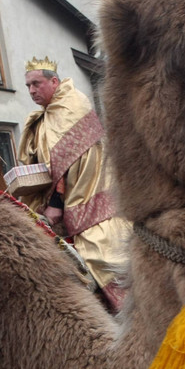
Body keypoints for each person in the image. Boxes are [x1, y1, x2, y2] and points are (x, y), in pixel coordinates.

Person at [17, 56, 131, 312]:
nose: (32, 91)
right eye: (28, 86)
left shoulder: (72, 104)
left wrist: (56, 204)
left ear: (54, 81)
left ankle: (132, 314)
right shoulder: (43, 117)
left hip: (88, 200)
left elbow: (69, 161)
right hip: (59, 204)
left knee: (104, 256)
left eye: (37, 83)